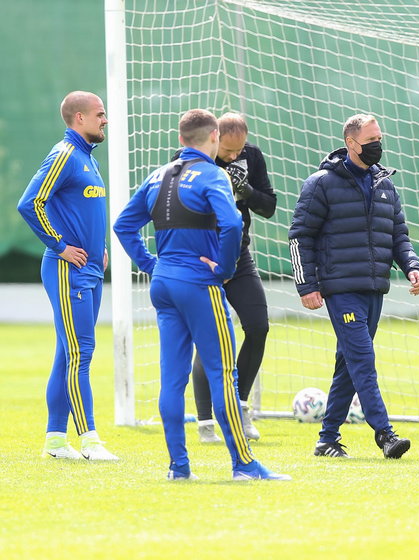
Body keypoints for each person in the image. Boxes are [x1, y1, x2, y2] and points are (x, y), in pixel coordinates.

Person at [113, 108, 288, 481]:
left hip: (163, 286)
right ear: (213, 138)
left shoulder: (158, 175)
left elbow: (123, 225)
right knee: (224, 373)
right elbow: (232, 224)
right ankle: (244, 465)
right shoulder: (213, 176)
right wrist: (223, 270)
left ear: (181, 140)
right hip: (198, 283)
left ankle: (179, 468)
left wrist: (149, 264)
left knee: (171, 379)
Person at [288, 113, 419, 459]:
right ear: (351, 143)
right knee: (363, 359)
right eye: (371, 140)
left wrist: (411, 266)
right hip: (340, 289)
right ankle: (385, 434)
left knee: (348, 363)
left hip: (374, 288)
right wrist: (307, 285)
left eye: (380, 138)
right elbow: (299, 237)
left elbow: (399, 236)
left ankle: (327, 439)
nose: (378, 145)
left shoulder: (385, 184)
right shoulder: (320, 184)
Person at [17, 91, 118, 461]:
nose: (105, 120)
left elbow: (84, 210)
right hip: (66, 269)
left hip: (90, 268)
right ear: (79, 118)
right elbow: (30, 203)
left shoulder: (87, 158)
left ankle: (56, 441)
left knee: (66, 353)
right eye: (100, 114)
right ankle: (90, 439)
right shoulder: (63, 155)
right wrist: (59, 245)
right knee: (81, 351)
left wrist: (99, 247)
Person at [173, 112, 276, 444]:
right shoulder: (188, 160)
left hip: (237, 255)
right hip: (202, 259)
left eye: (239, 151)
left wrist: (245, 190)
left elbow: (269, 206)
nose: (234, 156)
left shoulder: (252, 156)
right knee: (210, 337)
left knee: (258, 325)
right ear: (214, 137)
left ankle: (240, 405)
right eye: (228, 151)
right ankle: (206, 422)